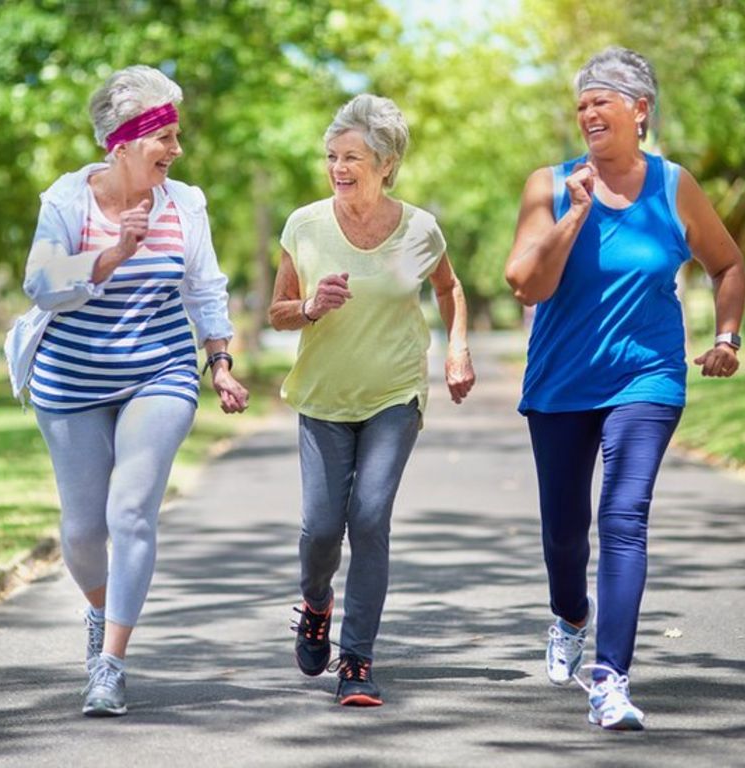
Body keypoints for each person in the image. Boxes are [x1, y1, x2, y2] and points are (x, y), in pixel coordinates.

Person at [505, 47, 745, 730]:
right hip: (560, 382)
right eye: (581, 103)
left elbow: (726, 264)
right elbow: (524, 283)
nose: (587, 112)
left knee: (623, 516)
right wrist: (574, 214)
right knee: (564, 533)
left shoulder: (674, 186)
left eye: (602, 99)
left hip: (649, 376)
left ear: (640, 110)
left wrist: (726, 337)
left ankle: (610, 679)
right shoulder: (547, 185)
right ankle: (570, 614)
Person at [8, 65, 248, 717]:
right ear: (121, 141)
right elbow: (40, 283)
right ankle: (98, 610)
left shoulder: (185, 203)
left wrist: (219, 360)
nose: (175, 149)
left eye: (176, 135)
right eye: (162, 136)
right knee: (84, 530)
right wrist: (113, 252)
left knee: (131, 511)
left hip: (159, 370)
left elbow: (203, 286)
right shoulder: (66, 200)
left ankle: (109, 663)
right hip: (72, 377)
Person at [269, 93, 475, 707]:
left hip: (393, 393)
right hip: (324, 396)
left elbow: (449, 288)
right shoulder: (305, 226)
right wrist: (308, 307)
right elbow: (277, 312)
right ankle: (315, 603)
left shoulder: (417, 231)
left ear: (386, 163)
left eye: (352, 156)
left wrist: (457, 349)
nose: (338, 166)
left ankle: (356, 661)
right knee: (320, 527)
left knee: (369, 517)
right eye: (332, 156)